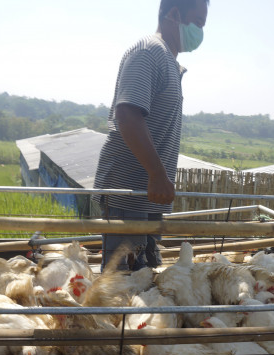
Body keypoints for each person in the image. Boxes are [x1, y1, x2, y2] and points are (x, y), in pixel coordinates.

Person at [93, 0, 209, 270]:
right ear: (173, 14)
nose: (200, 32)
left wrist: (157, 179)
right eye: (198, 23)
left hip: (147, 194)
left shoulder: (168, 60)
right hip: (128, 193)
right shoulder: (149, 52)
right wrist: (157, 175)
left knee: (144, 280)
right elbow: (128, 116)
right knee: (122, 285)